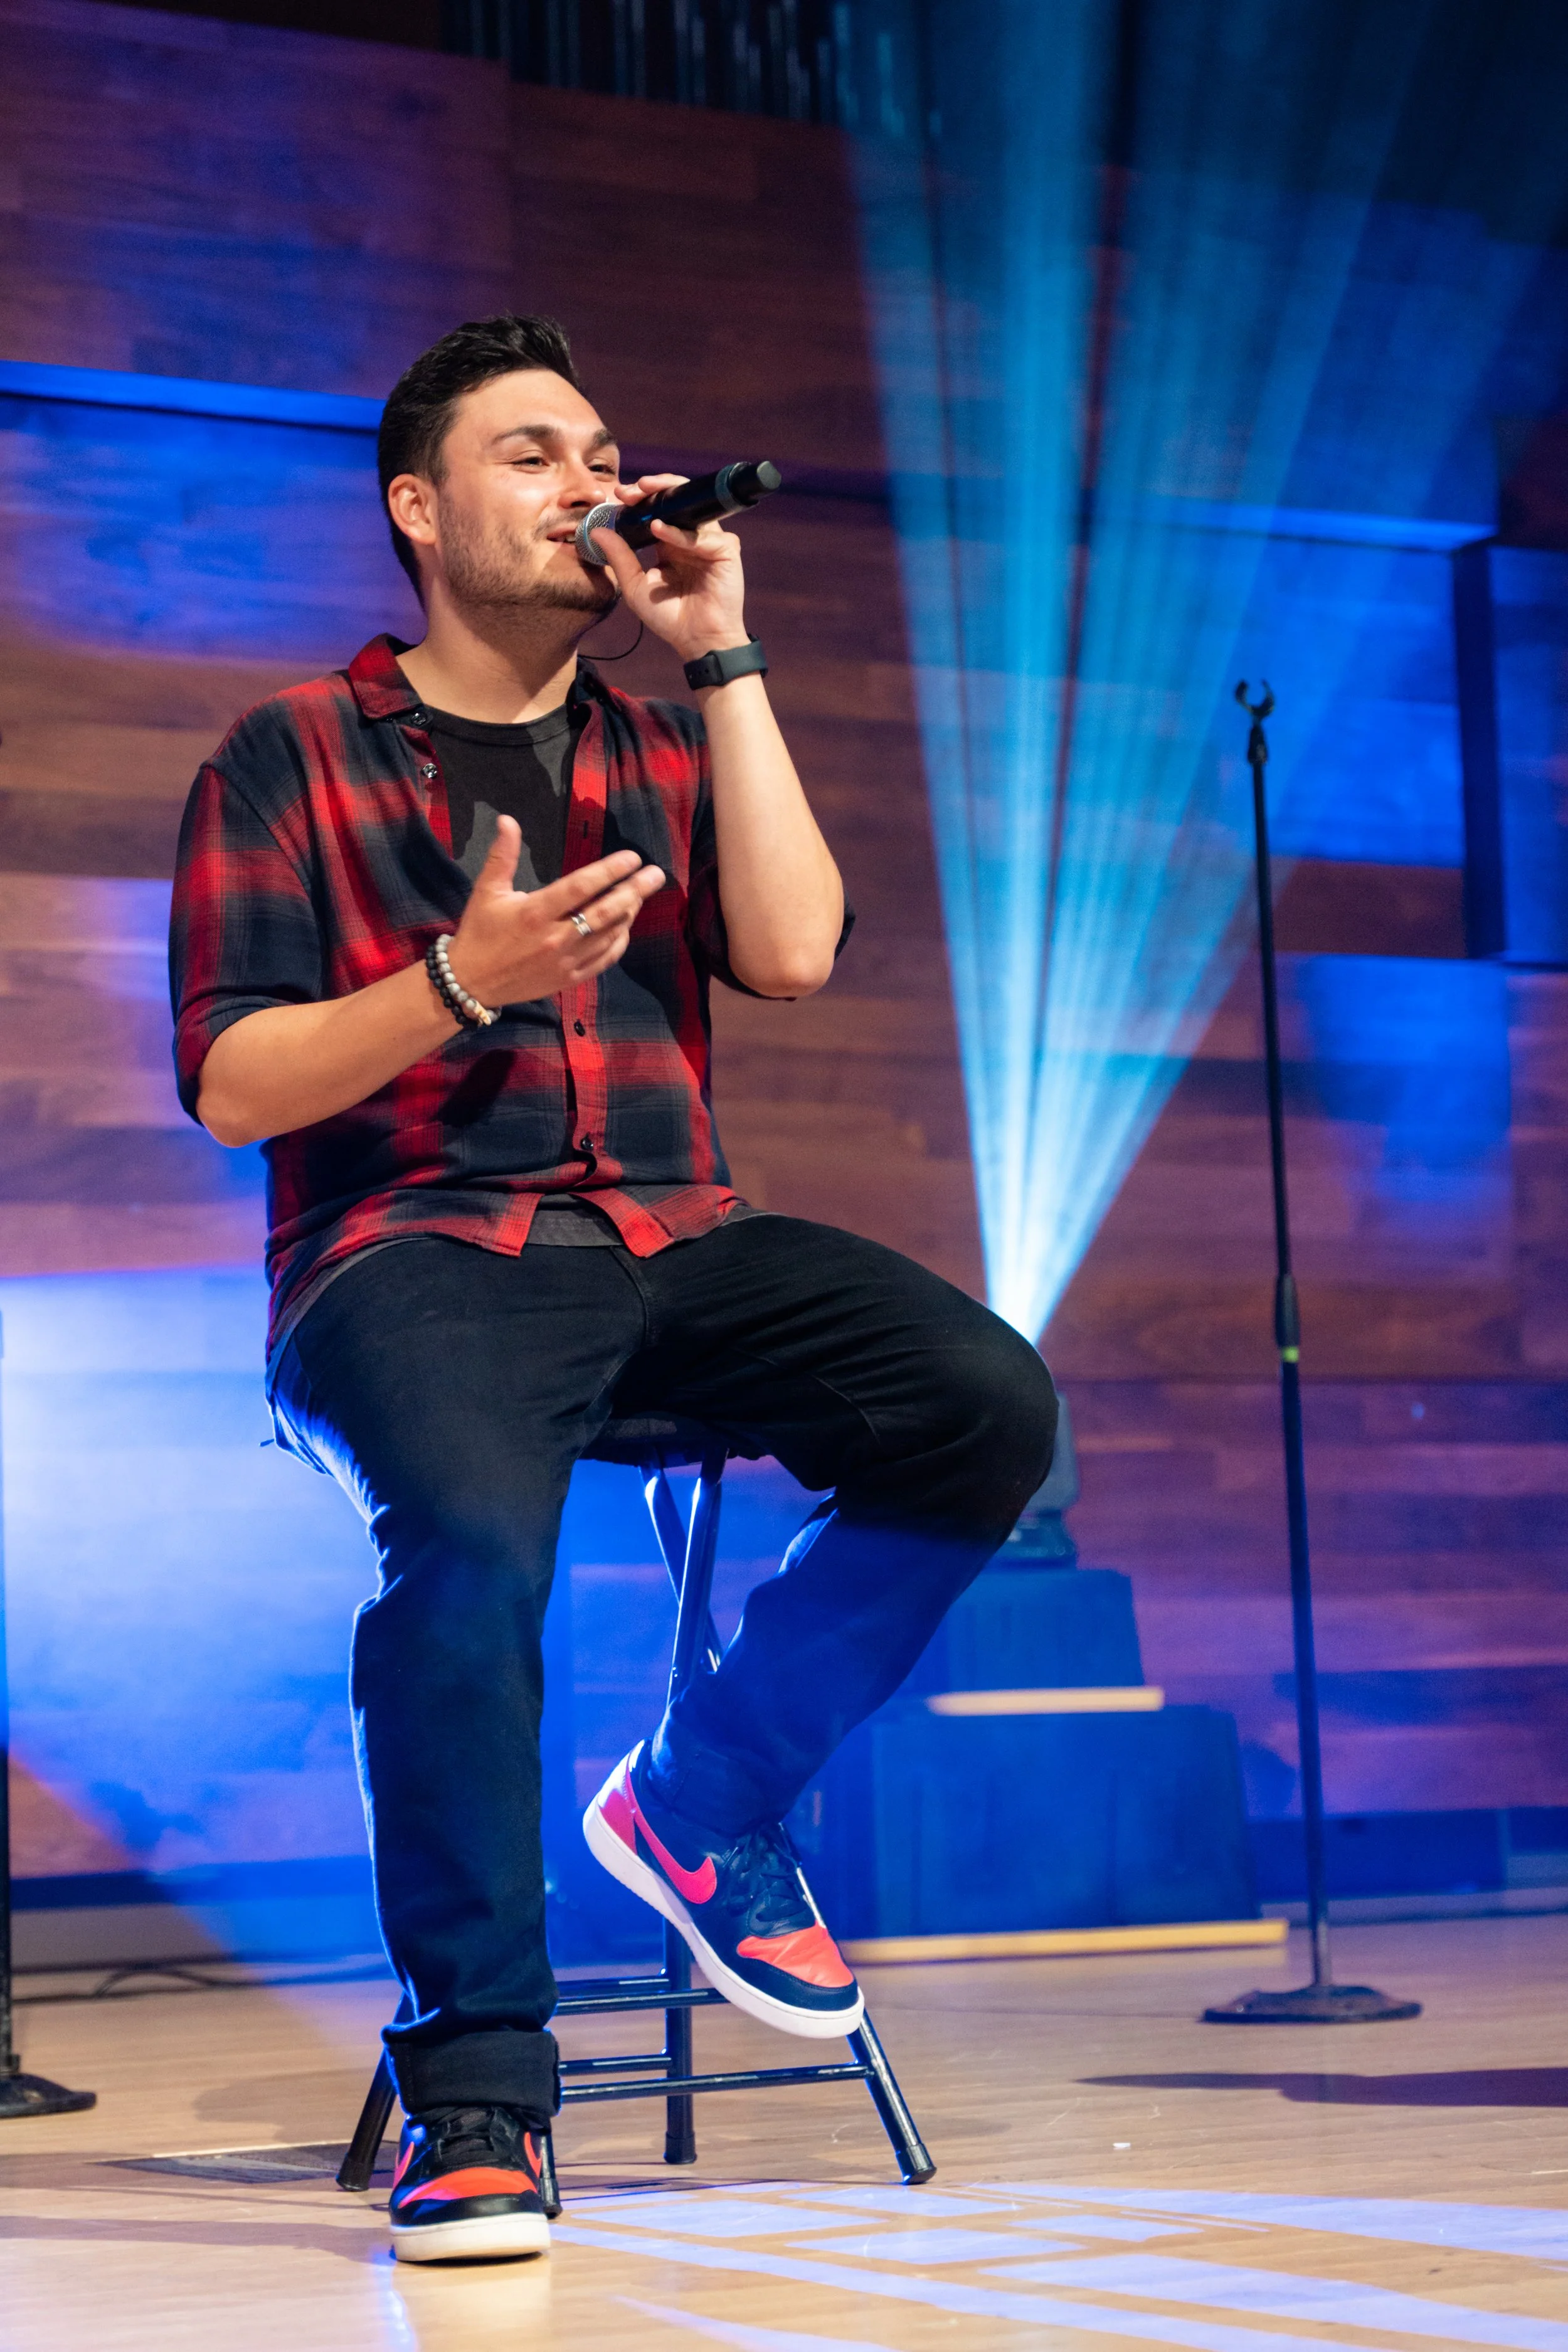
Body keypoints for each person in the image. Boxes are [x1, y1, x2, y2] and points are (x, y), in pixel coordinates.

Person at [169, 314, 1057, 2264]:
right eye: (533, 453)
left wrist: (719, 643)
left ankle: (703, 1791)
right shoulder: (291, 753)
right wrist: (460, 985)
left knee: (985, 1402)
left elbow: (798, 951)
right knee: (470, 1558)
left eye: (602, 451)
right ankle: (479, 2090)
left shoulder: (659, 739)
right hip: (406, 1254)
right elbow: (235, 1083)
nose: (589, 482)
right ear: (418, 505)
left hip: (670, 1236)